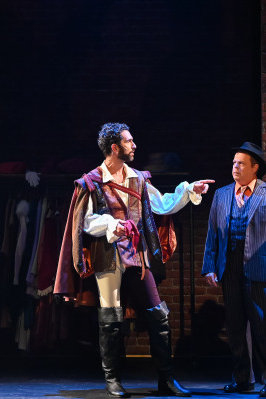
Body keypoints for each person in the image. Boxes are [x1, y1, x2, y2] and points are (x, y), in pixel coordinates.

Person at [54, 122, 214, 398]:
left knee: (158, 314)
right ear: (114, 147)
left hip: (137, 253)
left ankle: (167, 379)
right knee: (111, 318)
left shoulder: (138, 179)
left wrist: (190, 191)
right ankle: (113, 379)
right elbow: (86, 221)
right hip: (107, 253)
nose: (134, 145)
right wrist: (112, 225)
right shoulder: (93, 181)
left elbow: (162, 204)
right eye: (129, 141)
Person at [202, 142, 266, 398]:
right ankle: (242, 379)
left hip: (259, 268)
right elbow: (213, 234)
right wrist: (209, 266)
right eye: (233, 163)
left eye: (240, 163)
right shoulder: (222, 194)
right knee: (236, 327)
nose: (235, 167)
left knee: (263, 326)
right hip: (229, 268)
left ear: (255, 168)